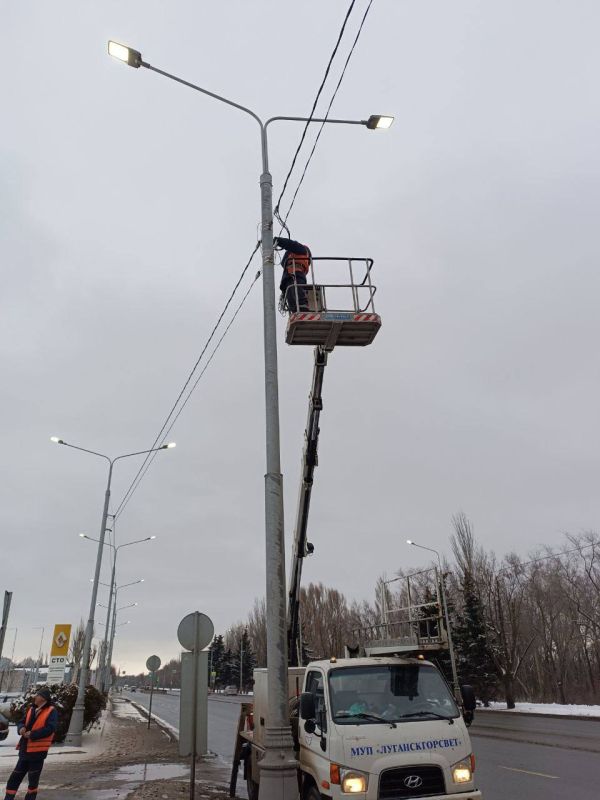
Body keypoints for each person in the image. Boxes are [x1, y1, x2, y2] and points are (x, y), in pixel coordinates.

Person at [4, 688, 58, 800]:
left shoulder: (51, 711)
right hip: (25, 750)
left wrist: (33, 734)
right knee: (14, 778)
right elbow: (21, 722)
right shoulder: (32, 708)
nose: (35, 697)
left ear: (43, 698)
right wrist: (21, 728)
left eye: (37, 695)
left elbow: (50, 728)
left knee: (33, 782)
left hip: (37, 752)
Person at [273, 237, 312, 312]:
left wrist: (279, 241)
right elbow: (283, 263)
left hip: (297, 273)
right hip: (289, 276)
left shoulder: (302, 249)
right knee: (291, 295)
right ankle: (295, 310)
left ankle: (302, 307)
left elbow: (291, 244)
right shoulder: (291, 259)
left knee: (297, 291)